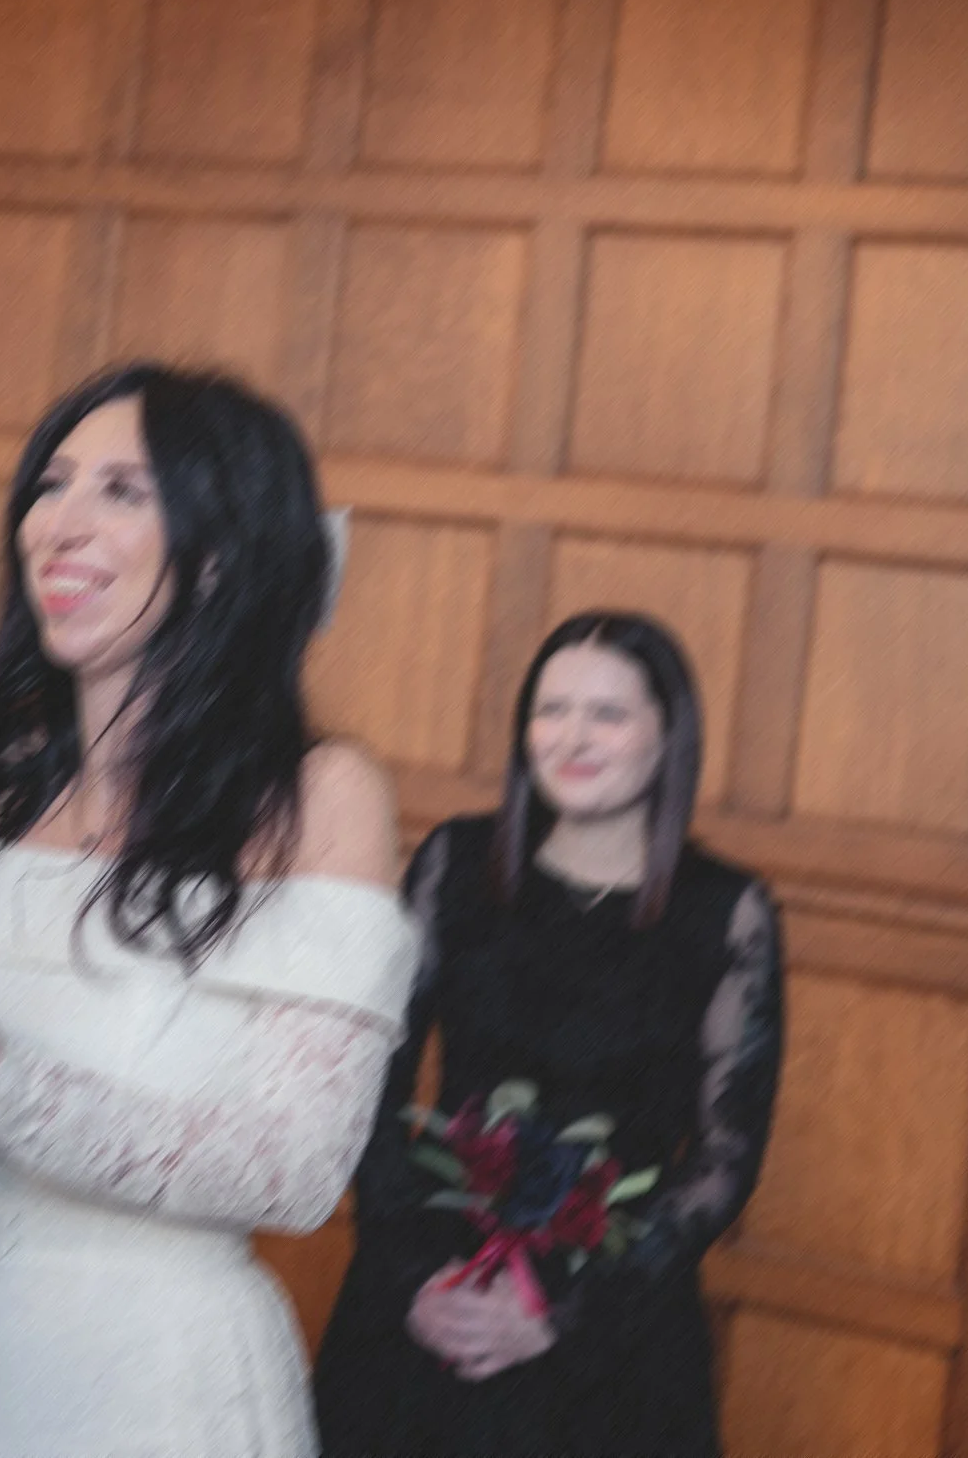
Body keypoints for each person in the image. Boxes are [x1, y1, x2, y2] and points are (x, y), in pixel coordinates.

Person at [0, 364, 420, 1458]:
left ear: (220, 552)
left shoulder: (320, 796)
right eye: (52, 484)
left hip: (149, 1376)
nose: (62, 521)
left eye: (123, 491)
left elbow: (296, 1168)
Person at [313, 612, 785, 1458]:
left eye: (608, 714)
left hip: (611, 1327)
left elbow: (724, 1158)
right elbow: (368, 1081)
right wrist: (416, 1277)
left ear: (667, 736)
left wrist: (558, 1314)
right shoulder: (457, 863)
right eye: (551, 710)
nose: (573, 737)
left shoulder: (724, 911)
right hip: (433, 1295)